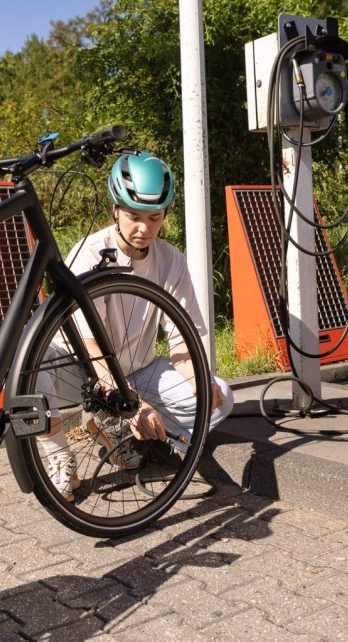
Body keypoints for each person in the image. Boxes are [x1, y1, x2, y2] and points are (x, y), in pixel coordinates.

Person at [38, 151, 234, 500]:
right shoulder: (88, 253)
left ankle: (116, 428)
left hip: (137, 369)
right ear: (115, 209)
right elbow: (89, 346)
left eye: (154, 217)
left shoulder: (171, 260)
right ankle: (60, 458)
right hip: (79, 370)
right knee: (32, 369)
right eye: (133, 216)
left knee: (220, 396)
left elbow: (181, 343)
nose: (144, 228)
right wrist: (128, 402)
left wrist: (198, 381)